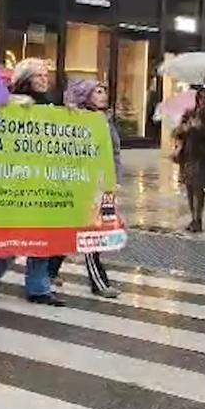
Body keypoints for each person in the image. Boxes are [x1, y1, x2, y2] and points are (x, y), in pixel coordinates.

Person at [0, 58, 64, 306]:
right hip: (17, 178)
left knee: (43, 235)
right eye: (38, 75)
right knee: (16, 235)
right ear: (26, 78)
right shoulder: (9, 100)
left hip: (45, 177)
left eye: (45, 75)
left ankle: (38, 288)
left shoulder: (51, 103)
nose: (43, 79)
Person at [62, 79, 121, 298]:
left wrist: (115, 179)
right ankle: (98, 282)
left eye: (104, 91)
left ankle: (49, 271)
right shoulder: (80, 119)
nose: (103, 95)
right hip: (83, 183)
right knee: (90, 233)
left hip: (101, 184)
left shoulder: (105, 119)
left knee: (81, 231)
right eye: (97, 92)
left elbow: (114, 152)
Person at [172, 87, 205, 233]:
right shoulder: (190, 113)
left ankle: (198, 218)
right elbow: (176, 133)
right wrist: (183, 129)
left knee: (198, 187)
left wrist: (201, 128)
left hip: (202, 156)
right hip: (188, 155)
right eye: (201, 97)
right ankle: (193, 217)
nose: (203, 101)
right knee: (189, 187)